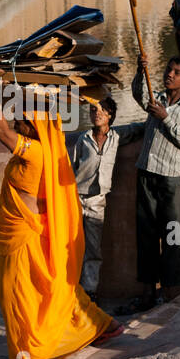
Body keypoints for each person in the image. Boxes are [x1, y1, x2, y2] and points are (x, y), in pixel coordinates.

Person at [0, 68, 120, 359]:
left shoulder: (34, 152)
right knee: (53, 291)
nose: (15, 121)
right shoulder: (44, 149)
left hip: (23, 237)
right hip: (28, 232)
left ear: (34, 124)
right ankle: (101, 325)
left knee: (18, 298)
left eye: (21, 117)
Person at [124, 55, 180, 314]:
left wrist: (165, 117)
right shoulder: (155, 98)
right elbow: (138, 93)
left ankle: (171, 291)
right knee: (146, 235)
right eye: (169, 70)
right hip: (146, 173)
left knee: (172, 235)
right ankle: (147, 293)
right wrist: (140, 68)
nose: (169, 74)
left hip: (170, 179)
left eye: (176, 72)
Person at [66, 96, 122, 296]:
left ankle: (89, 292)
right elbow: (73, 166)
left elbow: (137, 129)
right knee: (69, 245)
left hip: (97, 200)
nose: (96, 113)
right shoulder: (84, 139)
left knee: (93, 248)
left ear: (110, 115)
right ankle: (68, 290)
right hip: (76, 197)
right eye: (92, 110)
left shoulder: (116, 138)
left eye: (101, 110)